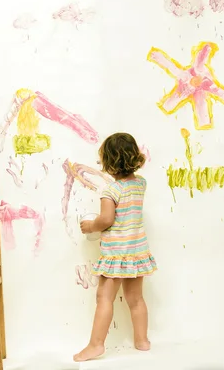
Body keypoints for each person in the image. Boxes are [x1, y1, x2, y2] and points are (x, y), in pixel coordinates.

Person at [74, 132, 158, 362]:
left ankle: (96, 344)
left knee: (104, 298)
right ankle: (142, 341)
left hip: (116, 254)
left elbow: (106, 220)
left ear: (109, 162)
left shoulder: (111, 191)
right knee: (136, 299)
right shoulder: (141, 184)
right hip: (136, 252)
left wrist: (91, 226)